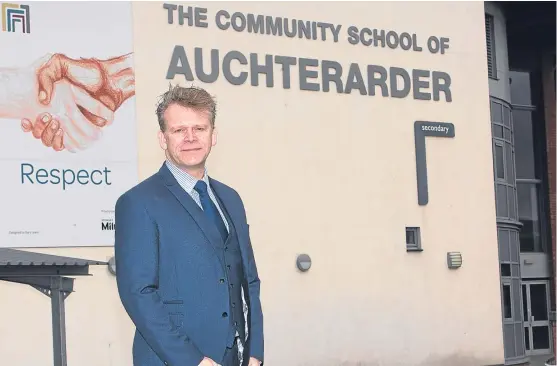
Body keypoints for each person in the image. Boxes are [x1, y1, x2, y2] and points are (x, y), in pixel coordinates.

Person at [114, 84, 264, 366]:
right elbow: (139, 294)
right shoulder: (138, 202)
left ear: (213, 135)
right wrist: (193, 361)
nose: (190, 138)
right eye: (179, 130)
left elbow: (250, 281)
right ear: (162, 138)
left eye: (199, 128)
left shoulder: (231, 198)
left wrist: (255, 351)